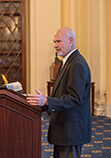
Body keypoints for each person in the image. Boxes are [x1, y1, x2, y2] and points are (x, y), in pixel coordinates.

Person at [27, 27, 91, 158]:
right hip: (64, 130)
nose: (55, 46)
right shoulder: (67, 62)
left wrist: (46, 101)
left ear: (70, 41)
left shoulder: (77, 64)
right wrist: (43, 102)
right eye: (54, 42)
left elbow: (74, 98)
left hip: (71, 131)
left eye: (58, 41)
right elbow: (62, 94)